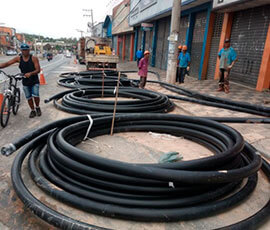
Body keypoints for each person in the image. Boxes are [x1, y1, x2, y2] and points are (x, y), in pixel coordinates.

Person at [0, 43, 42, 118]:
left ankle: (37, 107)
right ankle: (32, 110)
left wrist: (31, 73)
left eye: (26, 50)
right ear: (21, 51)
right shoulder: (18, 58)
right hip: (25, 81)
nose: (25, 52)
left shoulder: (34, 58)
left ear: (29, 50)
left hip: (34, 80)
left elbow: (38, 70)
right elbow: (7, 63)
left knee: (36, 96)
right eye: (23, 50)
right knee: (28, 97)